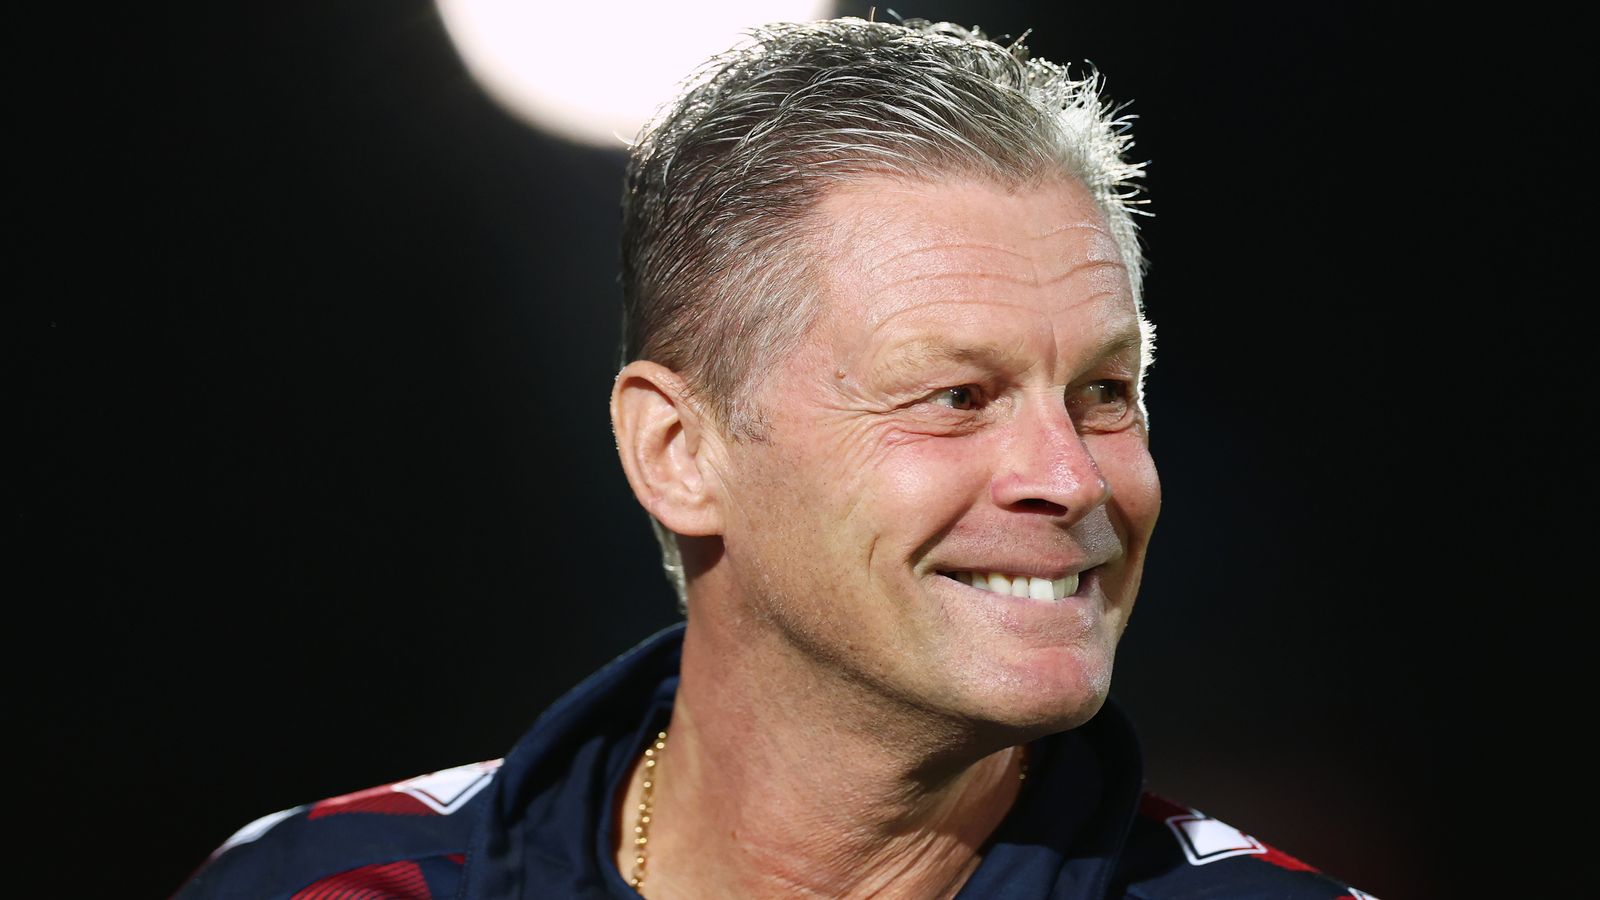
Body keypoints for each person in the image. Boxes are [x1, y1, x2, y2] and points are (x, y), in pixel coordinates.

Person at [176, 18, 1375, 900]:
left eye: (1104, 393)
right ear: (678, 450)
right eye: (956, 397)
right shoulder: (315, 886)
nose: (1071, 478)